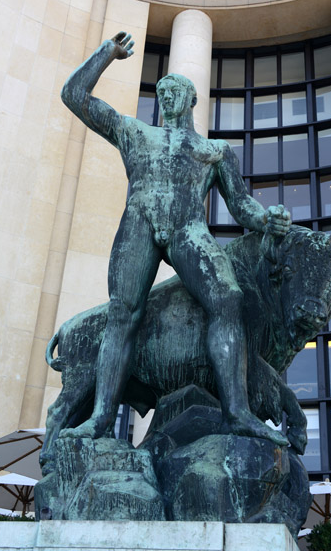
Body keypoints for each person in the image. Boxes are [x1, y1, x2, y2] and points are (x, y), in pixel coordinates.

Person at [59, 31, 291, 446]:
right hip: (140, 225)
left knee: (228, 299)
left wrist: (267, 218)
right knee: (123, 314)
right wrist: (105, 54)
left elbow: (241, 206)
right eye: (162, 92)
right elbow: (74, 94)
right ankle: (99, 419)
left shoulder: (213, 150)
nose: (167, 97)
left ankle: (237, 412)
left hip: (188, 230)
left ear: (192, 100)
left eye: (176, 90)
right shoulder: (134, 133)